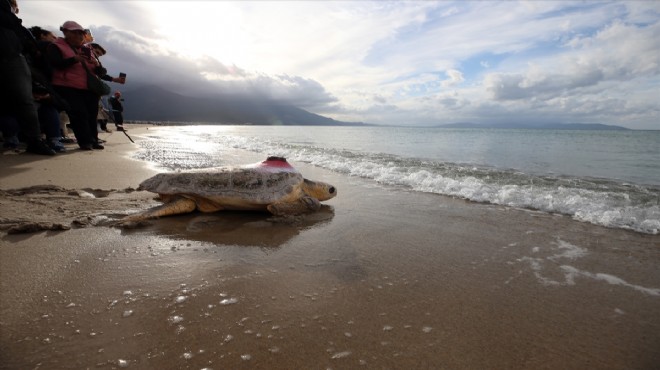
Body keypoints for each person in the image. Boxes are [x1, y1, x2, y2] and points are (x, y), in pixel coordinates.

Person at [0, 0, 55, 155]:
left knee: (25, 99)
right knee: (24, 100)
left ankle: (35, 140)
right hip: (11, 55)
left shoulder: (9, 17)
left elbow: (17, 31)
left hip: (11, 54)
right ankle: (34, 140)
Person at [47, 20, 106, 150]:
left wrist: (97, 67)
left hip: (88, 87)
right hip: (67, 86)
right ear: (65, 32)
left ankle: (93, 140)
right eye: (75, 32)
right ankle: (85, 142)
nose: (79, 36)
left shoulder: (87, 49)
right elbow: (55, 63)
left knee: (91, 114)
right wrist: (74, 59)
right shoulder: (56, 46)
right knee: (79, 113)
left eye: (81, 33)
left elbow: (100, 72)